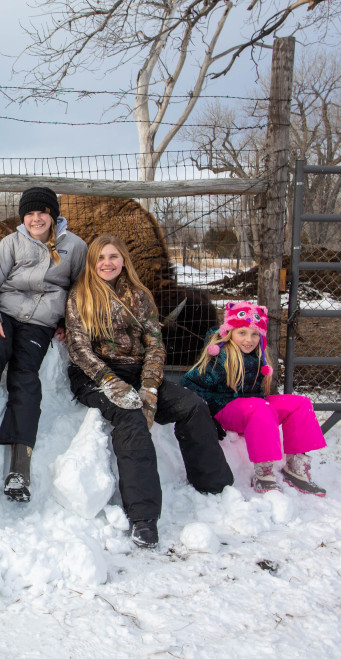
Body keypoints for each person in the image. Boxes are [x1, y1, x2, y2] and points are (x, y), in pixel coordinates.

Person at [64, 234, 233, 548]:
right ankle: (143, 519)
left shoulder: (140, 296)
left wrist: (151, 387)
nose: (107, 264)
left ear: (124, 260)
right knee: (131, 418)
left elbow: (155, 346)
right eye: (101, 258)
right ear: (92, 263)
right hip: (95, 375)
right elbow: (78, 348)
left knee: (193, 405)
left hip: (138, 371)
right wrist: (111, 382)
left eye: (113, 257)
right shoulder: (80, 296)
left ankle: (215, 486)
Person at [0, 187, 87, 502]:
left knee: (25, 378)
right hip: (6, 315)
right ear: (24, 217)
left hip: (40, 326)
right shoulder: (11, 243)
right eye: (30, 213)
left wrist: (67, 321)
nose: (36, 218)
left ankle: (19, 466)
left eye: (42, 212)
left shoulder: (74, 247)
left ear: (53, 215)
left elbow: (81, 289)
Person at [180, 301, 327, 496]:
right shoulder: (221, 356)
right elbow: (190, 382)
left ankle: (295, 465)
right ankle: (264, 473)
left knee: (299, 404)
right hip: (226, 409)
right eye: (242, 333)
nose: (249, 339)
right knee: (260, 407)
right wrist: (206, 413)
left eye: (255, 334)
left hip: (254, 407)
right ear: (229, 332)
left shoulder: (258, 355)